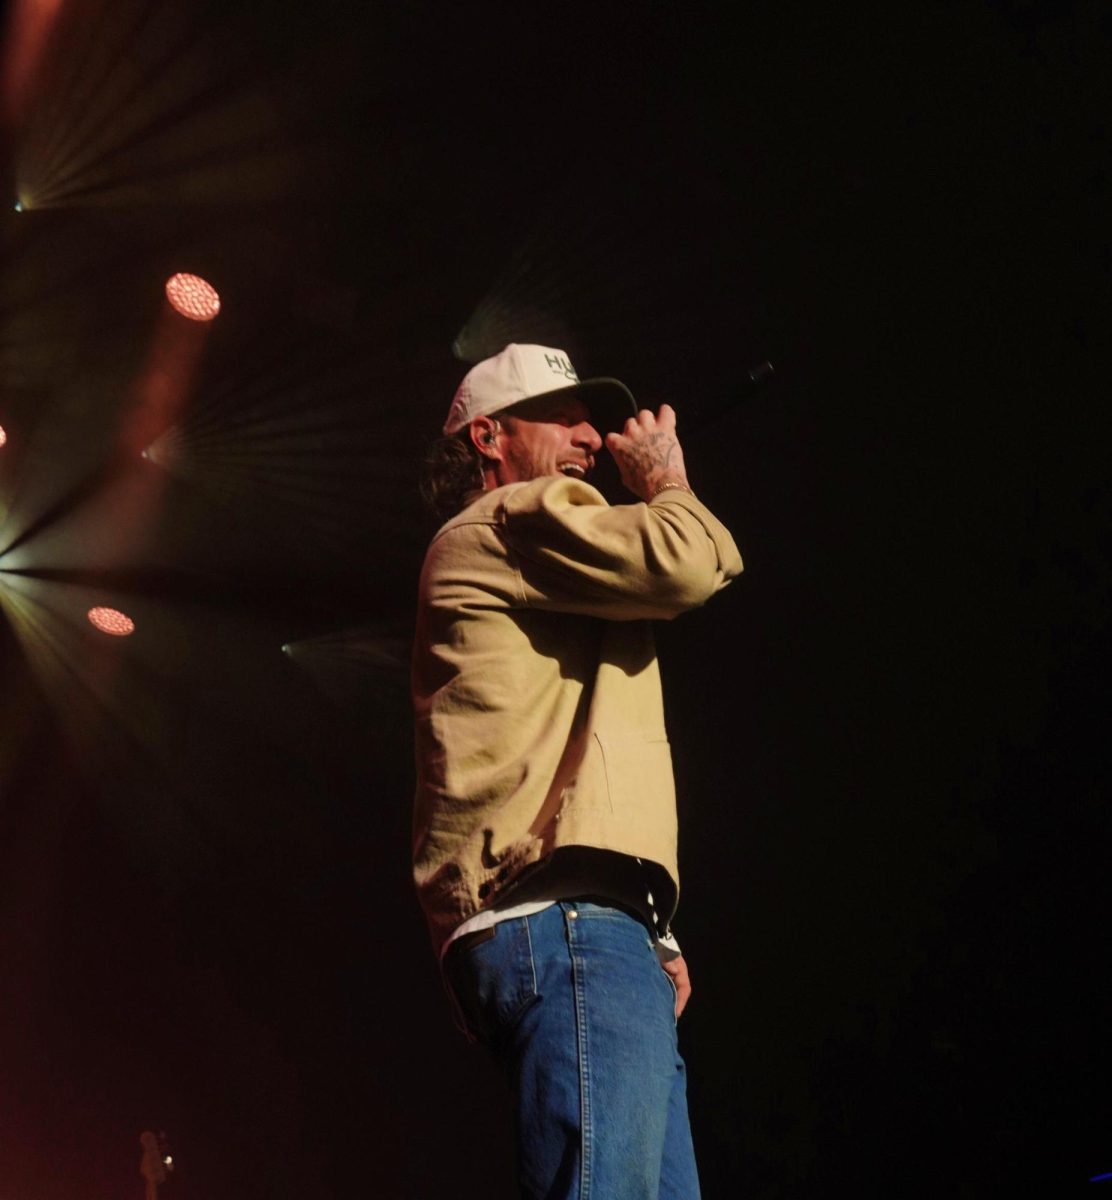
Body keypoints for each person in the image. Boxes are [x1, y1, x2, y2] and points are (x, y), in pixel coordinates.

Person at [412, 343, 743, 1199]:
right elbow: (686, 559)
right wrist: (665, 479)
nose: (592, 437)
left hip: (587, 929)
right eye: (565, 418)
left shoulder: (539, 559)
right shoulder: (510, 521)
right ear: (490, 437)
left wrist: (651, 929)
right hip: (568, 930)